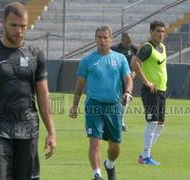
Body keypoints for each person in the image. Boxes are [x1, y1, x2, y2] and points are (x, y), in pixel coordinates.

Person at [0, 2, 56, 180]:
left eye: (23, 26)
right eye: (14, 25)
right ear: (3, 24)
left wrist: (51, 132)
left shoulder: (35, 54)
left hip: (29, 130)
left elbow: (43, 95)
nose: (19, 31)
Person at [69, 26, 133, 180]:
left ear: (111, 39)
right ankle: (96, 174)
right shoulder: (87, 61)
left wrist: (128, 92)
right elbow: (79, 86)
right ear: (95, 39)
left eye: (105, 37)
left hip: (113, 107)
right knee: (94, 142)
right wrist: (74, 106)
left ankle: (109, 164)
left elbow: (128, 79)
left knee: (115, 146)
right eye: (99, 37)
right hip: (94, 105)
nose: (102, 40)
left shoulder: (120, 59)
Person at [131, 20, 167, 166]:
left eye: (163, 31)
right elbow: (134, 62)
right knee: (152, 122)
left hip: (162, 90)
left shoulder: (162, 47)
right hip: (151, 90)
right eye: (158, 31)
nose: (160, 34)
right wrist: (146, 81)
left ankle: (144, 154)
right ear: (151, 32)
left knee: (160, 123)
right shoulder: (147, 48)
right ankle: (145, 156)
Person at [111, 32, 138, 132]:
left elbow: (139, 62)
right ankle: (111, 120)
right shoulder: (114, 49)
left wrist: (135, 72)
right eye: (127, 42)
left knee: (125, 99)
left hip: (127, 78)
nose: (129, 44)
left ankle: (121, 122)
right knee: (114, 99)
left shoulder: (134, 49)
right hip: (115, 78)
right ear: (122, 39)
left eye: (130, 42)